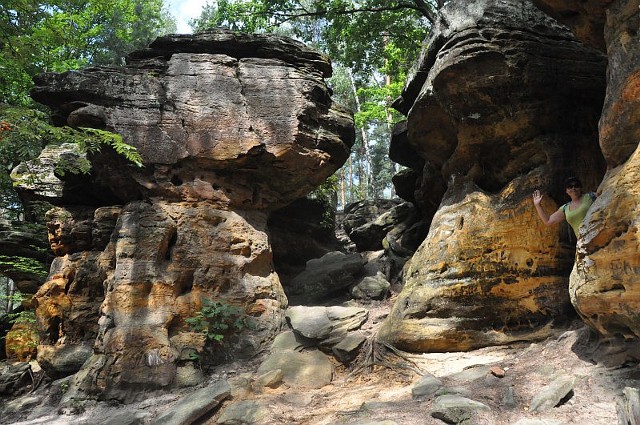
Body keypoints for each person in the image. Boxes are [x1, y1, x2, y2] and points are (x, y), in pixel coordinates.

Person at [532, 176, 597, 237]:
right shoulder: (565, 208)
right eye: (570, 186)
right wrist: (538, 206)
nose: (573, 188)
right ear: (566, 191)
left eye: (576, 185)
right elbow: (548, 221)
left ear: (580, 188)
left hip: (598, 233)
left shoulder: (591, 196)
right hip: (583, 242)